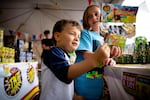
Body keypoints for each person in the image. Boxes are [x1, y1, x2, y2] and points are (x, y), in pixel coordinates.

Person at [39, 19, 111, 100]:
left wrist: (73, 95)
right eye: (72, 34)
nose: (77, 39)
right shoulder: (53, 52)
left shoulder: (67, 57)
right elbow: (66, 74)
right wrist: (95, 60)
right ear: (57, 36)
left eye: (79, 37)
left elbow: (64, 83)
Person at [74, 5, 122, 100]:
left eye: (96, 14)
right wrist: (105, 58)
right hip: (84, 81)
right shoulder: (86, 33)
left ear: (104, 16)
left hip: (97, 82)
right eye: (89, 16)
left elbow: (105, 57)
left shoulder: (106, 39)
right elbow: (86, 54)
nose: (94, 17)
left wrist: (112, 57)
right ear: (86, 21)